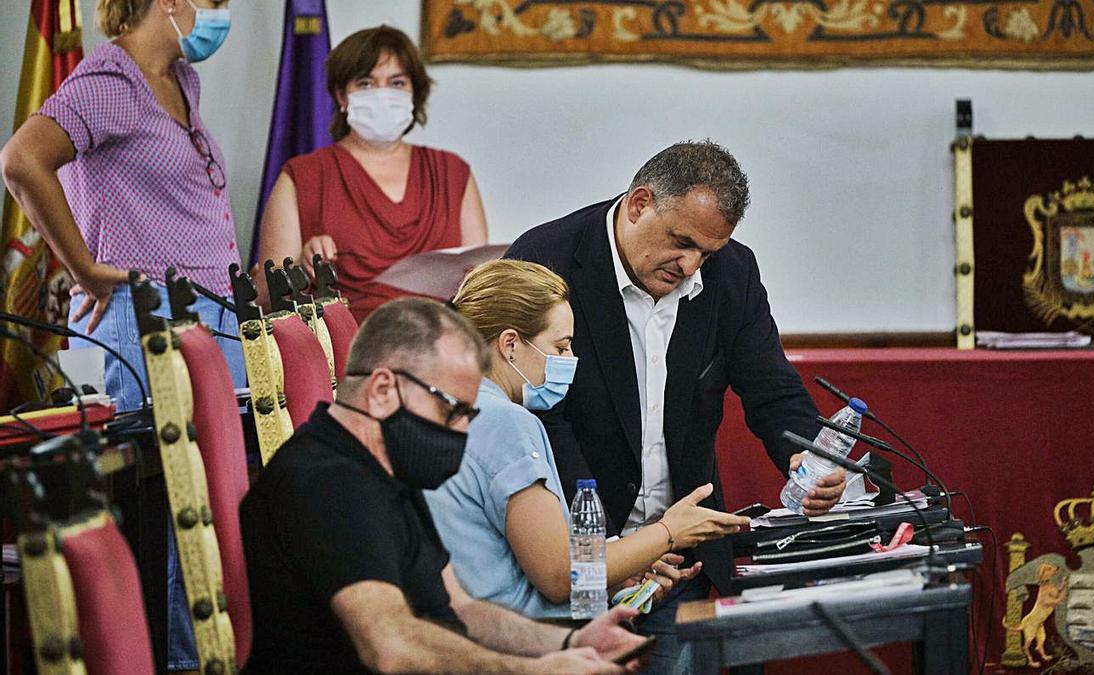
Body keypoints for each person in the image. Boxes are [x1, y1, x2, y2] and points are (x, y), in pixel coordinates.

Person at [506, 140, 848, 673]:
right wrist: (615, 550)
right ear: (641, 203)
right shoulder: (547, 259)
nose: (690, 266)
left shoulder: (731, 272)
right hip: (580, 560)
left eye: (706, 253)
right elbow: (538, 417)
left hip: (685, 565)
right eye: (682, 242)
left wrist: (806, 457)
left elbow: (773, 389)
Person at [0, 0, 242, 670]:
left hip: (206, 315)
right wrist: (82, 266)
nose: (222, 14)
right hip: (146, 324)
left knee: (208, 503)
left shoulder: (181, 82)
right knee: (170, 503)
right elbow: (22, 160)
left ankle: (205, 655)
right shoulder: (111, 82)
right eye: (215, 1)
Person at [239, 299, 646, 673]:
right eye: (451, 409)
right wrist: (535, 670)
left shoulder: (390, 466)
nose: (463, 430)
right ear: (383, 391)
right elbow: (391, 646)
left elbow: (461, 609)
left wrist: (572, 641)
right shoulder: (328, 481)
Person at [426, 259, 747, 620]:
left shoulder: (441, 407)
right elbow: (559, 575)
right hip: (524, 638)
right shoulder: (506, 421)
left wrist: (617, 571)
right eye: (561, 346)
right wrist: (671, 531)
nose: (571, 359)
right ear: (510, 344)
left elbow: (505, 551)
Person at [254, 25, 487, 322]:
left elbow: (482, 286)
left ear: (415, 92)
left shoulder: (452, 172)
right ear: (341, 95)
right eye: (365, 83)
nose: (382, 94)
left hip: (440, 350)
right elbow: (263, 299)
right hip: (341, 357)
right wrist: (300, 265)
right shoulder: (302, 176)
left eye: (397, 82)